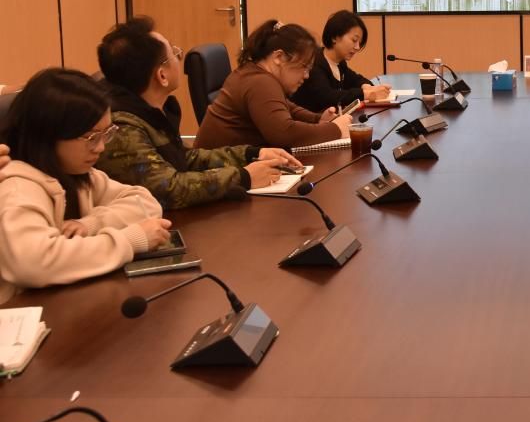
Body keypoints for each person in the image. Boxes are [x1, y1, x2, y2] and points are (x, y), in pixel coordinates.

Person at [94, 17, 304, 210]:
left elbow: (184, 159)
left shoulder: (150, 110)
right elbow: (167, 190)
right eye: (174, 53)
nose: (179, 57)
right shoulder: (122, 128)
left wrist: (251, 154)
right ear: (162, 75)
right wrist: (243, 177)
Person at [0, 69, 170, 304]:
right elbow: (33, 263)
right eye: (91, 137)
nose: (100, 147)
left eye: (106, 133)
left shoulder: (75, 174)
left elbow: (145, 203)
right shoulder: (18, 188)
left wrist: (90, 224)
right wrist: (130, 240)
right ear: (48, 135)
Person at [195, 20, 351, 149]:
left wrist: (317, 119)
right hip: (216, 171)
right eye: (304, 66)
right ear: (279, 57)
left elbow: (286, 106)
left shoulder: (254, 72)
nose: (306, 75)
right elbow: (284, 133)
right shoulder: (259, 82)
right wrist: (335, 129)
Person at [292, 10, 391, 113]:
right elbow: (327, 97)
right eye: (354, 40)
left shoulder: (340, 64)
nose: (357, 47)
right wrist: (365, 94)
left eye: (359, 43)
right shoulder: (315, 62)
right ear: (335, 37)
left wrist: (367, 87)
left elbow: (356, 79)